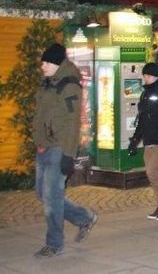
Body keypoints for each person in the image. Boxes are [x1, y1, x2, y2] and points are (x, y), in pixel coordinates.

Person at [32, 44, 98, 258]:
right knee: (43, 193)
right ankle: (84, 218)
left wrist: (68, 155)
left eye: (45, 63)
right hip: (44, 147)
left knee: (51, 197)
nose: (42, 66)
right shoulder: (49, 83)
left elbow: (71, 123)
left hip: (59, 148)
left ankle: (54, 244)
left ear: (55, 63)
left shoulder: (69, 86)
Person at [128, 62, 158, 221]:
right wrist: (135, 140)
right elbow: (142, 119)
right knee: (152, 174)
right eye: (144, 75)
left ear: (154, 76)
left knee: (152, 172)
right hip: (148, 140)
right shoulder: (145, 94)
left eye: (147, 75)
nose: (145, 78)